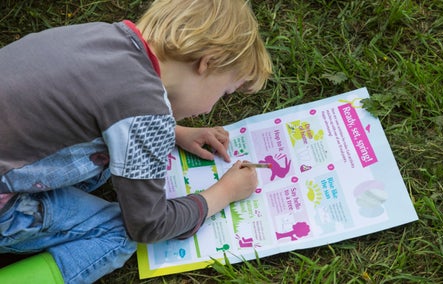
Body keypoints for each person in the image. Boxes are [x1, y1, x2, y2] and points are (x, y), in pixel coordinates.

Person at [0, 0, 272, 282]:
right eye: (225, 93)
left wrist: (174, 131)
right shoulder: (144, 116)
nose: (212, 107)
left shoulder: (103, 36)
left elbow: (102, 102)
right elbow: (148, 224)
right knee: (119, 234)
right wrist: (225, 193)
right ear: (208, 63)